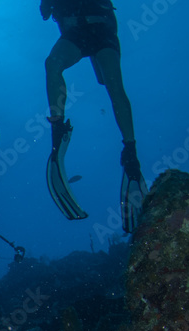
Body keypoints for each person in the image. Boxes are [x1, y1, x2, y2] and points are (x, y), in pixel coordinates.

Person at [41, 0, 146, 230]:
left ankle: (130, 149)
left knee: (113, 84)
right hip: (76, 34)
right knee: (52, 63)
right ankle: (57, 127)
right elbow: (45, 13)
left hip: (102, 31)